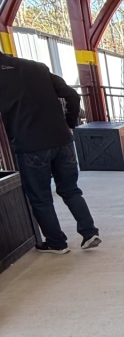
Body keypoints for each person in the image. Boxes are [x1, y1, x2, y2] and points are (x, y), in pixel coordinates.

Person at [0, 51, 101, 254]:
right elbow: (72, 95)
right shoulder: (37, 67)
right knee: (71, 189)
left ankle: (57, 243)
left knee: (40, 197)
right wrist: (69, 124)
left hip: (29, 145)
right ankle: (89, 233)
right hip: (62, 140)